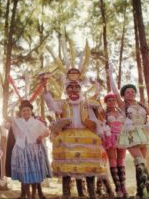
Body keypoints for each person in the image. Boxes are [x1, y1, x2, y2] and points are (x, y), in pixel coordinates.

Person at [43, 68, 108, 199]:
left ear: (80, 89)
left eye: (76, 87)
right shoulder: (63, 103)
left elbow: (96, 116)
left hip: (85, 136)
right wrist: (45, 88)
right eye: (70, 88)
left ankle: (92, 194)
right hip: (68, 137)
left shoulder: (87, 103)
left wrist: (99, 129)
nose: (73, 90)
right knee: (67, 166)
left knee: (88, 165)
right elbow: (51, 105)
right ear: (66, 90)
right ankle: (66, 194)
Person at [108, 66, 149, 198]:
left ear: (135, 93)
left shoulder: (142, 105)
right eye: (127, 92)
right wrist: (110, 75)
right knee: (139, 161)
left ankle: (140, 192)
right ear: (124, 95)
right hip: (130, 136)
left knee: (140, 164)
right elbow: (115, 91)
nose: (130, 94)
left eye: (132, 92)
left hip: (143, 134)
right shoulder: (123, 105)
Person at [6, 100, 51, 199]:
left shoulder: (36, 122)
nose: (26, 112)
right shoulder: (16, 121)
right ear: (20, 112)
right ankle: (28, 195)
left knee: (35, 175)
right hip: (21, 150)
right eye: (24, 111)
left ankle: (33, 195)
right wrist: (12, 106)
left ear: (31, 111)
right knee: (24, 175)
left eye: (28, 110)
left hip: (34, 151)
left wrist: (40, 136)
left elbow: (47, 131)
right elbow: (5, 116)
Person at [102, 93, 127, 198]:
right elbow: (102, 123)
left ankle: (123, 187)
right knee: (113, 160)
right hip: (110, 137)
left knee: (121, 161)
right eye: (109, 101)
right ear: (106, 103)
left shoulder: (121, 111)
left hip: (122, 136)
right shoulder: (104, 113)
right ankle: (118, 188)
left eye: (113, 100)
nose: (112, 102)